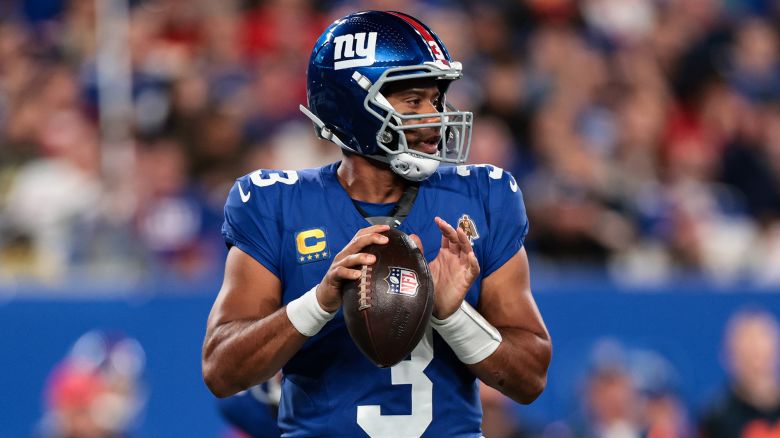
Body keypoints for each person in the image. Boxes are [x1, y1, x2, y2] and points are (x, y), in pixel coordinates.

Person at [202, 10, 552, 436]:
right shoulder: (275, 203)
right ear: (353, 105)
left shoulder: (483, 195)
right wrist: (320, 302)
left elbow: (530, 379)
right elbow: (221, 371)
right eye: (413, 101)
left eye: (437, 100)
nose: (436, 117)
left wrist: (452, 315)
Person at [699, 308, 780, 438]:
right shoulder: (717, 416)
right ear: (728, 356)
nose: (757, 363)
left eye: (762, 352)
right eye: (749, 353)